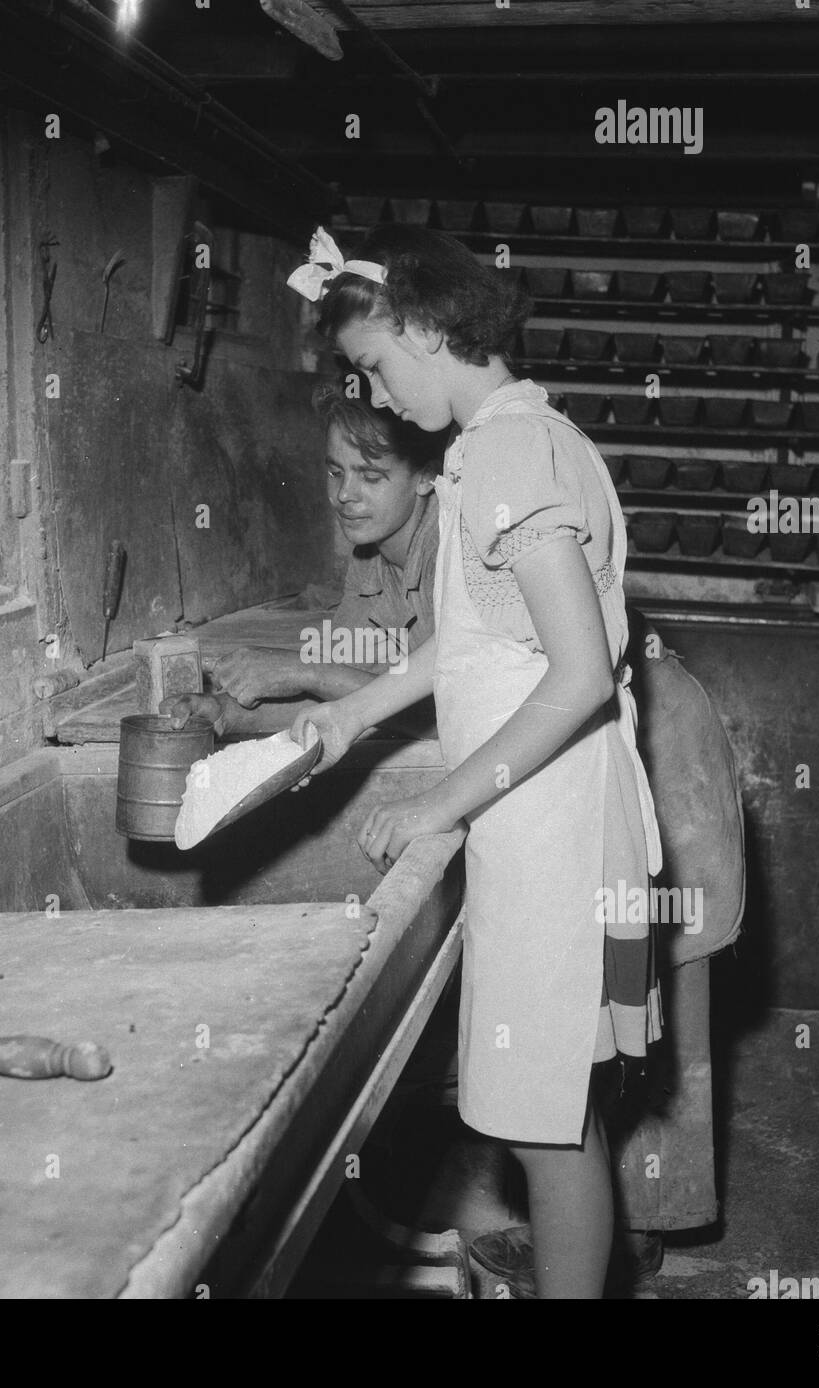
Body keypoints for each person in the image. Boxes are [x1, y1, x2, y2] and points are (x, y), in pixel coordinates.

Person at [276, 224, 664, 1299]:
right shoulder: (522, 435)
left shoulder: (500, 453)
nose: (381, 394)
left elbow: (578, 673)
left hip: (551, 833)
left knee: (539, 1123)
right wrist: (356, 707)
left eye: (379, 366)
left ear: (432, 328)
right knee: (552, 1113)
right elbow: (488, 634)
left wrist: (439, 801)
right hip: (556, 822)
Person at [168, 383, 444, 739]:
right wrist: (223, 713)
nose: (344, 494)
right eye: (335, 472)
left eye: (371, 476)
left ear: (426, 477)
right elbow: (354, 693)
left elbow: (444, 717)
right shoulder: (370, 555)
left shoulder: (448, 553)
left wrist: (306, 670)